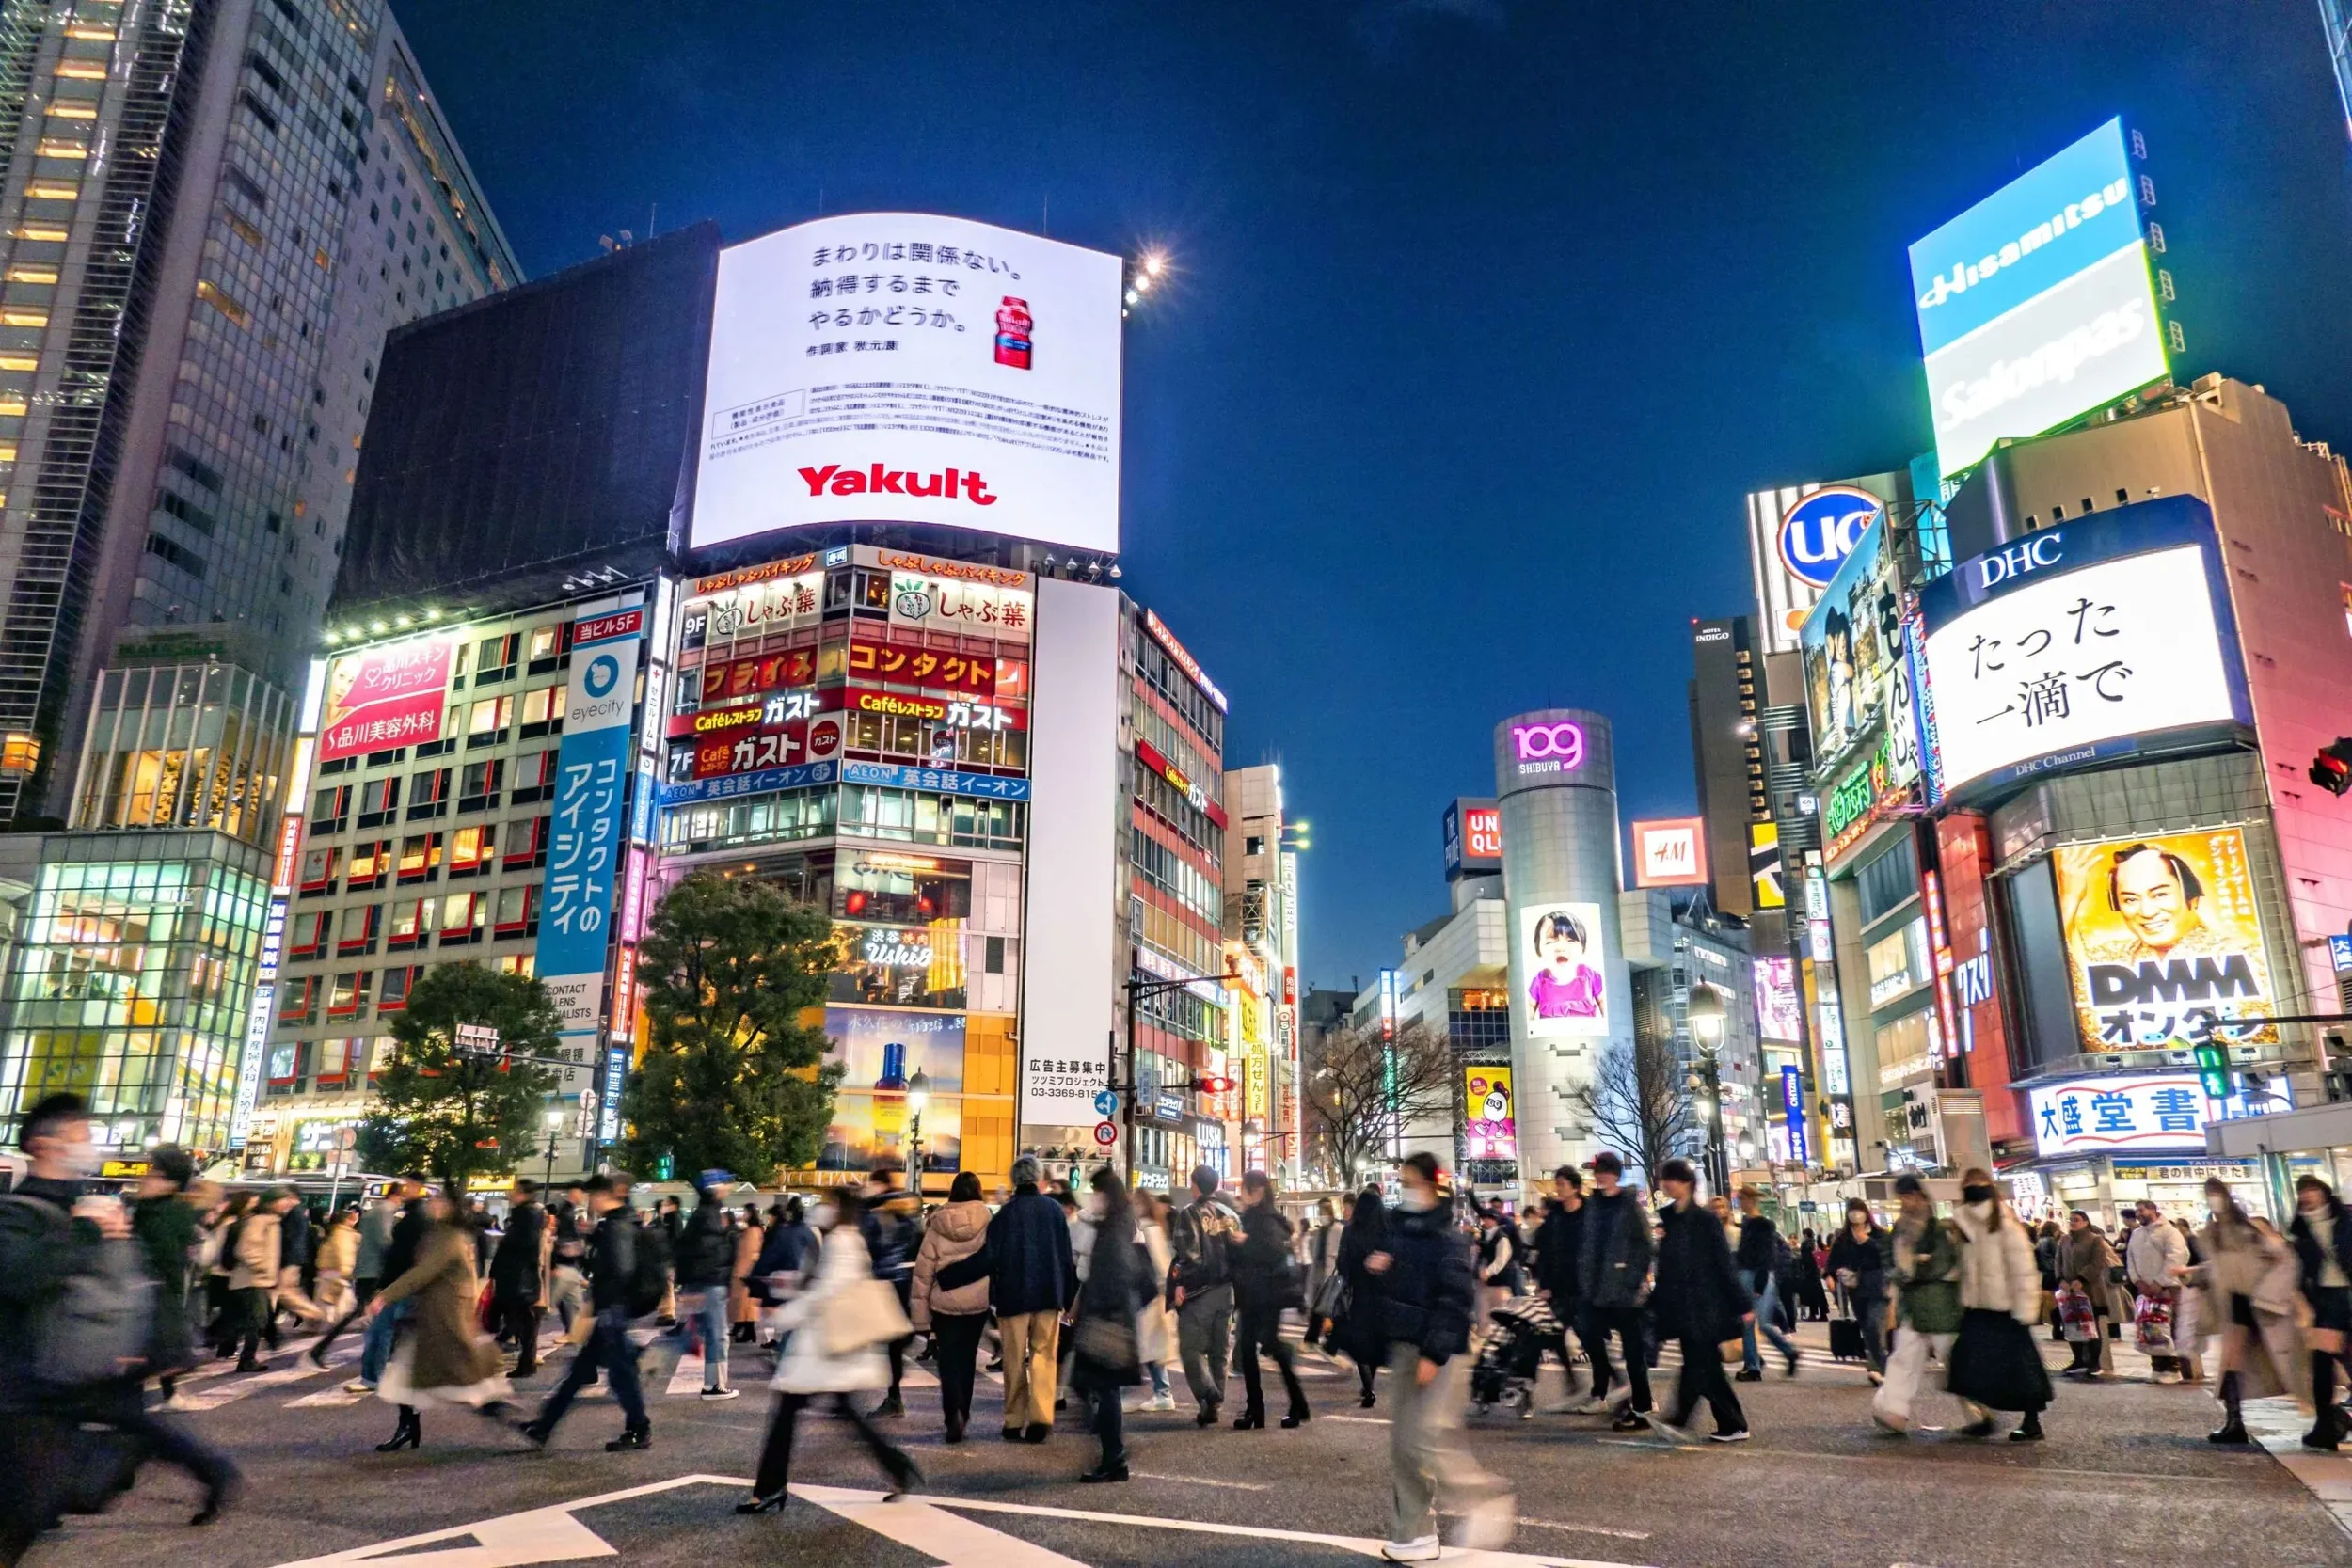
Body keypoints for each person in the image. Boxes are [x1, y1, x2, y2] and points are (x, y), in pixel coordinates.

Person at [0, 1095, 239, 1565]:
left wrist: (153, 1343)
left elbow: (140, 1281)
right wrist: (86, 1232)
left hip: (75, 1371)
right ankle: (211, 1470)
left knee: (30, 1506)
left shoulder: (100, 1208)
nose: (91, 1145)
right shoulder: (19, 1212)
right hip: (29, 1376)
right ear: (44, 1145)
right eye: (81, 1135)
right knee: (29, 1506)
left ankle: (210, 1470)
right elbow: (18, 1276)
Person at [733, 1189, 920, 1513]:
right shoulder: (837, 1239)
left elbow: (825, 1293)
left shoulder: (843, 1242)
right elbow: (817, 1285)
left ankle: (769, 1488)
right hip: (825, 1351)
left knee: (786, 1416)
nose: (821, 1208)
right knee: (840, 1416)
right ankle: (898, 1468)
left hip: (825, 1348)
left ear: (840, 1210)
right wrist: (787, 1284)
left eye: (828, 1203)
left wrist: (786, 1315)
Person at [1369, 1152, 1510, 1562]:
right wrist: (1380, 1265)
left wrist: (1434, 1351)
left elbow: (1454, 1298)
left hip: (1439, 1351)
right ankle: (1413, 1532)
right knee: (1403, 1445)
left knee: (1426, 1437)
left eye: (1412, 1180)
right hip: (1404, 1346)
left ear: (1432, 1185)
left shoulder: (1448, 1237)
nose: (1405, 1188)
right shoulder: (1398, 1231)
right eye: (1403, 1180)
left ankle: (1484, 1499)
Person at [358, 1184, 519, 1449]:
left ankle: (510, 1420)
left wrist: (383, 1297)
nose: (432, 1205)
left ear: (449, 1208)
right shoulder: (446, 1234)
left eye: (438, 1201)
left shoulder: (448, 1237)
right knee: (405, 1375)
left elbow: (422, 1272)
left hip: (443, 1319)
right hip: (432, 1316)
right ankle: (408, 1427)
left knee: (463, 1382)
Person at [520, 1173, 655, 1451]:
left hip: (611, 1311)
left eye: (593, 1196)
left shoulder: (618, 1227)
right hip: (611, 1310)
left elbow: (620, 1269)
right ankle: (544, 1426)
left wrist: (602, 1305)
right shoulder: (620, 1224)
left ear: (605, 1195)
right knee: (585, 1371)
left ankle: (638, 1427)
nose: (591, 1202)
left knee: (619, 1375)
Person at [1643, 1161, 1752, 1444]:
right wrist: (1655, 1302)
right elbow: (1667, 1268)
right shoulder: (1670, 1220)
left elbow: (1723, 1264)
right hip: (1682, 1305)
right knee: (1703, 1366)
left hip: (1705, 1305)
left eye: (1672, 1179)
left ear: (1687, 1183)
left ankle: (1685, 1420)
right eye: (1665, 1179)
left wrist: (1742, 1304)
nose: (1666, 1184)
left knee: (1699, 1365)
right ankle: (1729, 1424)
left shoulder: (1704, 1220)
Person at [2194, 1177, 2301, 1446]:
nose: (2213, 1199)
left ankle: (2329, 1414)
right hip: (2235, 1304)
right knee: (2231, 1363)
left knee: (2297, 1362)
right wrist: (2193, 1274)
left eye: (2216, 1193)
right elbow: (2221, 1267)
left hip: (2265, 1302)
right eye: (2209, 1194)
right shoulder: (2211, 1233)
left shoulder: (2250, 1228)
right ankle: (2234, 1422)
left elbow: (2281, 1256)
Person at [1945, 1167, 2050, 1442]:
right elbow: (1961, 1268)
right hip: (1977, 1307)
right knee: (1964, 1364)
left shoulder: (2004, 1224)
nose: (1972, 1191)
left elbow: (2023, 1269)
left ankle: (2031, 1421)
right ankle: (1982, 1416)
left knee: (2019, 1368)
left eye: (1977, 1185)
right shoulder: (1964, 1225)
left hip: (2005, 1308)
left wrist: (2026, 1309)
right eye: (1969, 1185)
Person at [1869, 1173, 1979, 1436]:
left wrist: (1911, 1268)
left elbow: (1939, 1264)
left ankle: (1979, 1409)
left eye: (1909, 1196)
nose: (1906, 1202)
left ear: (1920, 1196)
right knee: (1903, 1358)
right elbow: (1893, 1263)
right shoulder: (1900, 1229)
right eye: (1902, 1198)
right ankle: (1893, 1411)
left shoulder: (1939, 1230)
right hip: (1914, 1307)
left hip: (1941, 1305)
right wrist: (1904, 1271)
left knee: (1953, 1358)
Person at [983, 1152, 1076, 1442]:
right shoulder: (1053, 1210)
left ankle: (1013, 1420)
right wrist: (1070, 1294)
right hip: (1049, 1294)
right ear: (1038, 1179)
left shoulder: (1005, 1215)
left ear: (1014, 1180)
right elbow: (1065, 1256)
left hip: (1013, 1297)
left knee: (1012, 1358)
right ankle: (1040, 1419)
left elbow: (990, 1258)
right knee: (1044, 1357)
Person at [1070, 1167, 1154, 1482]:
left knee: (1102, 1390)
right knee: (1101, 1390)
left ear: (1106, 1193)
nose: (1094, 1198)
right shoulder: (1120, 1223)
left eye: (1097, 1191)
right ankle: (1113, 1454)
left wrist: (1103, 1309)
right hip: (1114, 1318)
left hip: (1108, 1322)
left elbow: (1116, 1275)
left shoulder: (1114, 1229)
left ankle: (1114, 1457)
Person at [909, 1171, 992, 1443]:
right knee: (967, 1361)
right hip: (978, 1302)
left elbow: (923, 1274)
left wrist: (920, 1319)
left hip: (944, 1304)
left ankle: (951, 1414)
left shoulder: (936, 1224)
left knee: (948, 1361)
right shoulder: (988, 1222)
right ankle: (963, 1413)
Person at [1575, 1150, 1653, 1428]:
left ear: (1617, 1174)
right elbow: (1585, 1244)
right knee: (1591, 1340)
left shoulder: (1629, 1204)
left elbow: (1645, 1245)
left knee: (1633, 1353)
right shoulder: (1593, 1206)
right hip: (1595, 1289)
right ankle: (1610, 1392)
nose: (1601, 1176)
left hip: (1624, 1291)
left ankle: (1642, 1405)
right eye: (1598, 1171)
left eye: (1607, 1171)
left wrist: (1632, 1278)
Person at [1232, 1169, 1309, 1429]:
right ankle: (1261, 1408)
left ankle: (1276, 1406)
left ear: (1257, 1191)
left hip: (1265, 1295)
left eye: (1245, 1189)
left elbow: (1271, 1252)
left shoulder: (1265, 1219)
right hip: (1257, 1294)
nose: (1241, 1194)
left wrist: (1245, 1242)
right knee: (1252, 1348)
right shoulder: (1259, 1217)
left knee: (1262, 1346)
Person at [1166, 1164, 1240, 1426]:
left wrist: (1180, 1284)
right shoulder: (1230, 1213)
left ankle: (1210, 1393)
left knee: (1191, 1348)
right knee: (1220, 1350)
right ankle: (1213, 1406)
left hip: (1201, 1291)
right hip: (1228, 1290)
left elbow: (1188, 1253)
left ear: (1195, 1184)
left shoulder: (1191, 1212)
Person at [130, 1148, 203, 1410]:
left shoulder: (172, 1212)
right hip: (140, 1295)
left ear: (171, 1181)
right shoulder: (144, 1208)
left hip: (155, 1296)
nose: (146, 1177)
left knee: (141, 1356)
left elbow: (170, 1260)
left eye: (155, 1172)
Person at [2288, 1173, 2352, 1450]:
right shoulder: (2300, 1231)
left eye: (2311, 1189)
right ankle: (2325, 1423)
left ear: (2324, 1192)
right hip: (2322, 1301)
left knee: (2344, 1359)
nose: (2306, 1195)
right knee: (2321, 1365)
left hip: (2347, 1295)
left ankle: (2331, 1421)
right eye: (2302, 1191)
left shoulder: (2346, 1221)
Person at [862, 1163, 921, 1418]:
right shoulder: (908, 1212)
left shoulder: (877, 1212)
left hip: (884, 1283)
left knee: (888, 1343)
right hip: (904, 1281)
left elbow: (871, 1246)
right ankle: (893, 1396)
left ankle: (893, 1397)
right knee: (893, 1343)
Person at [1529, 1166, 1586, 1403]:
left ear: (1575, 1187)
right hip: (1559, 1289)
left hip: (1584, 1288)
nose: (1558, 1188)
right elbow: (1544, 1252)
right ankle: (1572, 1382)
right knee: (1553, 1334)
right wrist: (1544, 1284)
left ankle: (1617, 1391)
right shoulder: (1555, 1217)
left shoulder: (1589, 1213)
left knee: (1591, 1339)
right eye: (1557, 1184)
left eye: (1562, 1184)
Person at [1733, 1187, 1801, 1381]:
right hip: (1751, 1274)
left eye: (1741, 1199)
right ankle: (1758, 1363)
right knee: (1752, 1322)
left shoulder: (1763, 1225)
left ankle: (1758, 1364)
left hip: (1757, 1275)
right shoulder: (1747, 1223)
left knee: (1756, 1323)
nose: (1739, 1202)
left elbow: (1765, 1256)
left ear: (1750, 1200)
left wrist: (1759, 1286)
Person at [2122, 1197, 2189, 1384]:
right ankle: (2157, 1367)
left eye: (2142, 1210)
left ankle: (2172, 1368)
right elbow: (2130, 1259)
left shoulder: (2169, 1232)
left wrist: (2159, 1282)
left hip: (2167, 1289)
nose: (2139, 1215)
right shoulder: (2136, 1234)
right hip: (2145, 1290)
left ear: (2153, 1209)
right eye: (2137, 1212)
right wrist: (2138, 1281)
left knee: (2167, 1327)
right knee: (2149, 1328)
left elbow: (2176, 1257)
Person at [1336, 1184, 1390, 1407]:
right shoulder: (1387, 1229)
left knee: (1360, 1341)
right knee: (1376, 1339)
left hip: (1359, 1293)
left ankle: (1368, 1387)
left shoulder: (1351, 1230)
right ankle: (1371, 1382)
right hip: (1383, 1293)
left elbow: (1342, 1263)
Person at [488, 1179, 548, 1380]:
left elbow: (525, 1246)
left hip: (517, 1279)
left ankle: (518, 1359)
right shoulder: (529, 1214)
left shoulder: (525, 1214)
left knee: (519, 1320)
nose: (510, 1193)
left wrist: (506, 1243)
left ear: (522, 1193)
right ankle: (524, 1362)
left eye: (514, 1190)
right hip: (520, 1278)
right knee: (522, 1321)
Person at [1130, 1189, 1180, 1411]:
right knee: (1149, 1346)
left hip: (1149, 1296)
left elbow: (1161, 1265)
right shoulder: (1151, 1227)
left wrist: (1162, 1290)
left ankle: (1162, 1393)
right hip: (1150, 1295)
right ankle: (1161, 1392)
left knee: (1148, 1346)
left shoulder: (1148, 1229)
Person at [1827, 1199, 1890, 1378]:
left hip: (1878, 1287)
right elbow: (1832, 1262)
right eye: (1852, 1211)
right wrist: (1830, 1275)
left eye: (1859, 1210)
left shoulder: (1879, 1235)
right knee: (1867, 1328)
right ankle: (1880, 1366)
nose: (1855, 1214)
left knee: (1873, 1325)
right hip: (1856, 1290)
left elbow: (1885, 1257)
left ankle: (1883, 1368)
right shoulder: (1843, 1238)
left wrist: (1867, 1241)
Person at [227, 1188, 288, 1371]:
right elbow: (245, 1250)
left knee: (258, 1320)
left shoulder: (271, 1222)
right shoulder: (260, 1222)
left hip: (258, 1280)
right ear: (270, 1203)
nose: (286, 1203)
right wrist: (261, 1267)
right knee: (257, 1321)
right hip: (251, 1279)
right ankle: (246, 1360)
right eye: (282, 1200)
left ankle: (247, 1357)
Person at [2058, 1208, 2122, 1380]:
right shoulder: (2064, 1240)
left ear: (2086, 1222)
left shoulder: (2095, 1240)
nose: (2073, 1222)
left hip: (2090, 1290)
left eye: (2077, 1219)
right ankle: (2078, 1359)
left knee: (2091, 1327)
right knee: (2072, 1326)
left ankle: (2094, 1362)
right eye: (2071, 1219)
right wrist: (2061, 1280)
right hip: (2068, 1291)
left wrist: (2081, 1279)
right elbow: (2059, 1261)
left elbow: (2097, 1262)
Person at [547, 1183, 591, 1333]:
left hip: (569, 1267)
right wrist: (554, 1265)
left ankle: (574, 1333)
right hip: (563, 1267)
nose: (583, 1197)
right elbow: (560, 1241)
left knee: (577, 1305)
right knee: (547, 1306)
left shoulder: (569, 1211)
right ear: (574, 1192)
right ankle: (511, 1333)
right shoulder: (566, 1212)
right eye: (582, 1193)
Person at [1303, 1198, 1343, 1352]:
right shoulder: (1318, 1232)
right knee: (1318, 1305)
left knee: (1329, 1306)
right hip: (1318, 1271)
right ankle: (1313, 1337)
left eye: (1323, 1212)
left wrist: (1335, 1256)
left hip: (1332, 1273)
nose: (1321, 1215)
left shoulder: (1339, 1229)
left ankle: (1324, 1339)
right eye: (1319, 1212)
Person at [313, 1205, 360, 1323]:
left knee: (330, 1304)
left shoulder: (338, 1232)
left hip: (330, 1272)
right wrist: (345, 1272)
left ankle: (318, 1325)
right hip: (336, 1273)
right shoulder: (343, 1234)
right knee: (339, 1305)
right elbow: (344, 1254)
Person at [1474, 1206, 1518, 1326]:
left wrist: (1487, 1272)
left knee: (1500, 1317)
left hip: (1499, 1283)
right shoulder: (1483, 1236)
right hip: (1484, 1284)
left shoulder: (1502, 1238)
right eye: (1484, 1218)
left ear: (1495, 1220)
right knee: (1483, 1317)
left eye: (1489, 1218)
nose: (1486, 1221)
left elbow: (1501, 1260)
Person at [732, 1203, 764, 1342]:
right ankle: (747, 1330)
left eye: (745, 1212)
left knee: (746, 1304)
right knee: (746, 1304)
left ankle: (748, 1332)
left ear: (750, 1213)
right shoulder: (754, 1230)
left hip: (746, 1272)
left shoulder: (752, 1231)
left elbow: (747, 1252)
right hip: (749, 1271)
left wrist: (740, 1271)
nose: (743, 1215)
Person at [1793, 1227, 1830, 1322]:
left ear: (1805, 1235)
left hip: (1809, 1273)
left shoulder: (1805, 1244)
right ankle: (1823, 1313)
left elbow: (1806, 1259)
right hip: (1815, 1272)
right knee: (1819, 1293)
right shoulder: (1814, 1243)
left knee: (1811, 1294)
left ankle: (1813, 1314)